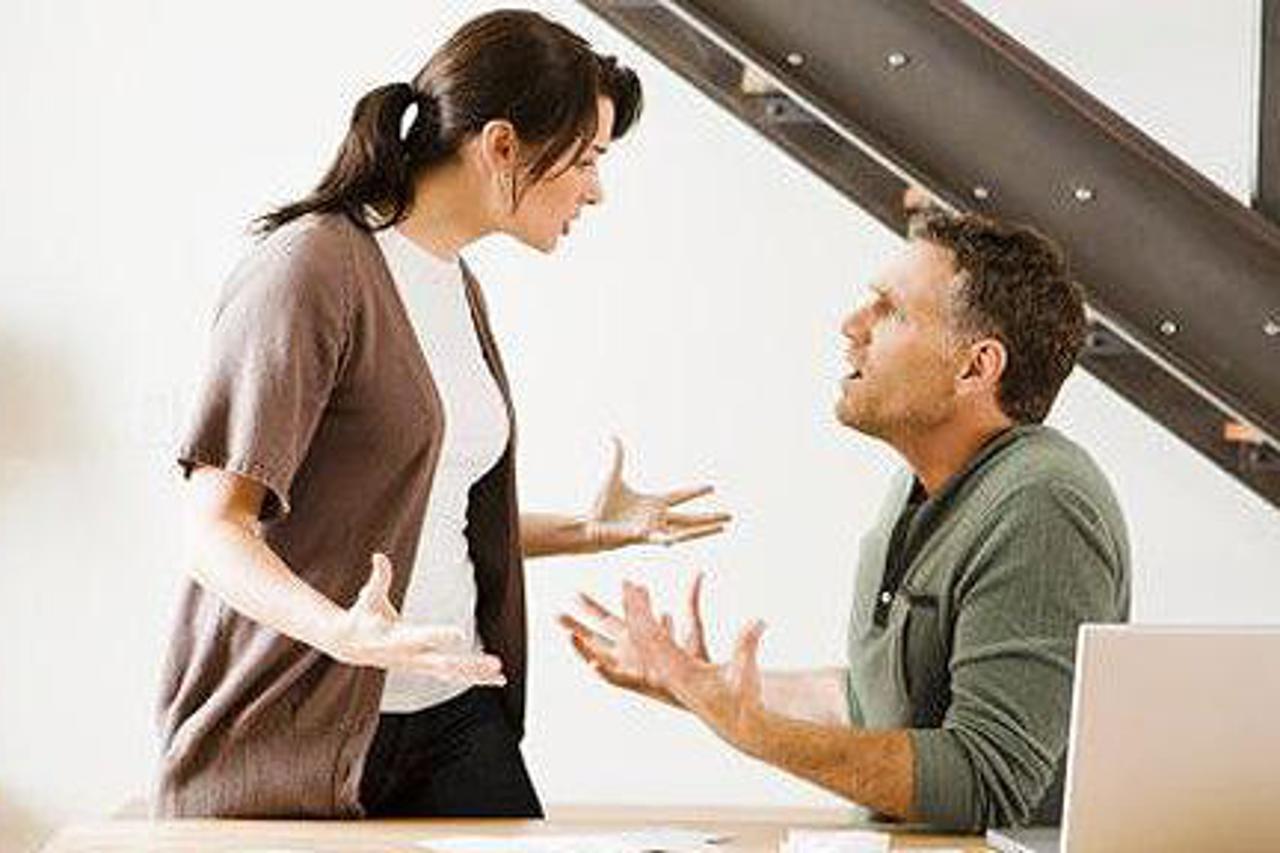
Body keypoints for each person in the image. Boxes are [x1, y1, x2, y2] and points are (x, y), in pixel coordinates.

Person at [155, 9, 729, 820]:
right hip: (298, 728)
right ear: (501, 145)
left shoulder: (451, 281)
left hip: (453, 709)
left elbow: (412, 511)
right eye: (590, 159)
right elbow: (214, 527)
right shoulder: (311, 268)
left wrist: (589, 531)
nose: (597, 190)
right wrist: (343, 633)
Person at [561, 206, 1131, 831]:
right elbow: (868, 705)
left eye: (890, 310)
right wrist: (699, 686)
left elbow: (985, 780)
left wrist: (754, 730)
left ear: (976, 366)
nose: (851, 325)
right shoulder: (923, 485)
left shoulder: (1041, 505)